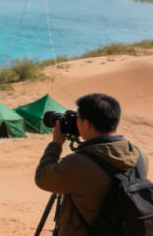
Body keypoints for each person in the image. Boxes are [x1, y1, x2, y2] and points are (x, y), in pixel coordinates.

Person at [35, 93, 149, 236]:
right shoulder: (140, 155)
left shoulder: (77, 164)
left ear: (87, 123)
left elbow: (42, 178)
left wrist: (56, 143)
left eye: (77, 118)